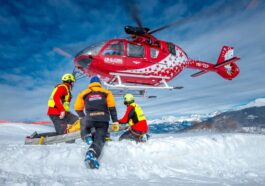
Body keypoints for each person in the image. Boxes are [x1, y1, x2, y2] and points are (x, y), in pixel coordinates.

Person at [74, 75, 118, 169]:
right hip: (103, 120)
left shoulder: (84, 93)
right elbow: (112, 108)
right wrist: (115, 121)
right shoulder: (106, 92)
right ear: (100, 83)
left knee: (83, 122)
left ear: (90, 84)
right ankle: (92, 153)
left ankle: (86, 136)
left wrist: (83, 116)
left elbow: (77, 108)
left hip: (89, 119)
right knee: (99, 139)